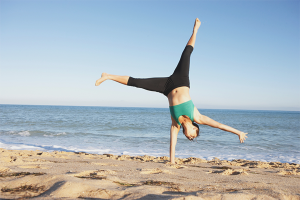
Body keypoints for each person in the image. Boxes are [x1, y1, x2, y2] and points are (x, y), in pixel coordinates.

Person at [95, 18, 248, 164]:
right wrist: (238, 132)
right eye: (193, 136)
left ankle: (108, 76)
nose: (190, 137)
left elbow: (172, 143)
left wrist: (172, 161)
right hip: (181, 80)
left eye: (189, 138)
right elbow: (219, 125)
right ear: (195, 128)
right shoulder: (197, 116)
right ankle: (195, 30)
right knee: (187, 53)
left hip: (166, 87)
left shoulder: (176, 124)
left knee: (137, 83)